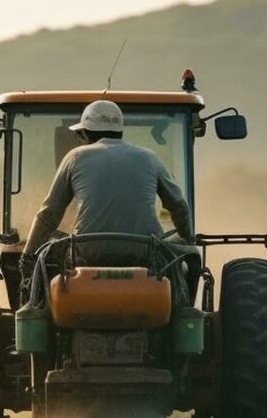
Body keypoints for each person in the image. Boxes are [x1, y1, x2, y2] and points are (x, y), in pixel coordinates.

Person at [19, 100, 194, 286]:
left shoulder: (75, 157)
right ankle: (182, 311)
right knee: (179, 266)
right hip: (145, 254)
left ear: (85, 133)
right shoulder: (149, 158)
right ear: (120, 131)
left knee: (45, 258)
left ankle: (34, 309)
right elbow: (179, 207)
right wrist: (187, 239)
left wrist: (27, 258)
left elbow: (48, 215)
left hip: (87, 255)